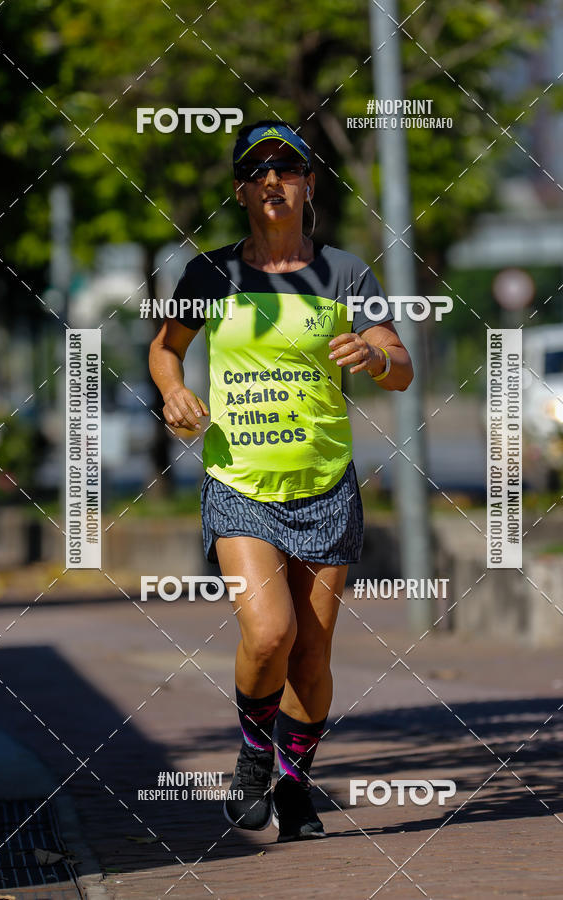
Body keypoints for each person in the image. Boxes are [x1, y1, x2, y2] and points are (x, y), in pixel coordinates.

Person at [149, 120, 413, 842]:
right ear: (241, 190)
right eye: (258, 168)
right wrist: (172, 393)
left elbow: (400, 364)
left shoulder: (346, 273)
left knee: (312, 654)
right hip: (240, 481)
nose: (274, 178)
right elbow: (166, 349)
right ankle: (251, 759)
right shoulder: (209, 274)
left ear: (307, 183)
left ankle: (295, 788)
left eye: (288, 167)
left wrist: (375, 354)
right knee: (269, 635)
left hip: (325, 483)